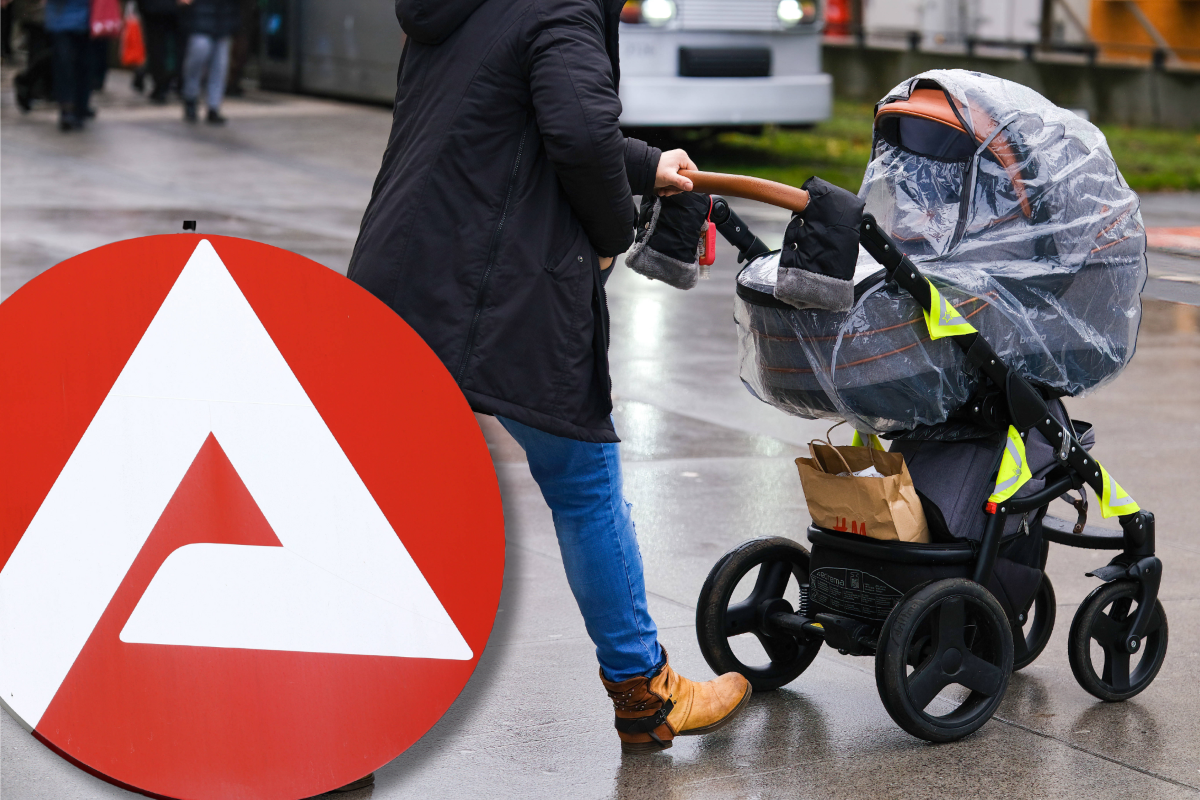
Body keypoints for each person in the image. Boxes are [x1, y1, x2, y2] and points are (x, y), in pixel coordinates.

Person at [349, 0, 752, 753]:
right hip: (501, 289)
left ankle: (341, 708)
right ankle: (645, 691)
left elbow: (509, 119)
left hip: (402, 268)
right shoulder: (561, 6)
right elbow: (577, 133)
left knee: (379, 492)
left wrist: (646, 165)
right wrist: (611, 231)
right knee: (584, 483)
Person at [179, 0, 237, 124]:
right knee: (199, 58)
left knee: (219, 65)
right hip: (202, 19)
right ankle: (192, 97)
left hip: (220, 19)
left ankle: (212, 106)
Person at [44, 0, 93, 130]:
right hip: (61, 17)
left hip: (85, 17)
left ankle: (79, 107)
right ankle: (67, 108)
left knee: (81, 65)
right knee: (64, 64)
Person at [136, 0, 182, 103]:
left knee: (156, 47)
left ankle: (160, 86)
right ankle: (171, 82)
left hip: (153, 9)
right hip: (174, 9)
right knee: (172, 47)